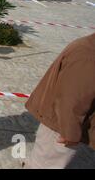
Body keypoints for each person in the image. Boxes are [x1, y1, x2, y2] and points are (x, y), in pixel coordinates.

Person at [24, 33, 95, 169]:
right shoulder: (89, 54)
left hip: (66, 123)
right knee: (46, 164)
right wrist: (70, 132)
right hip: (61, 127)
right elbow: (72, 98)